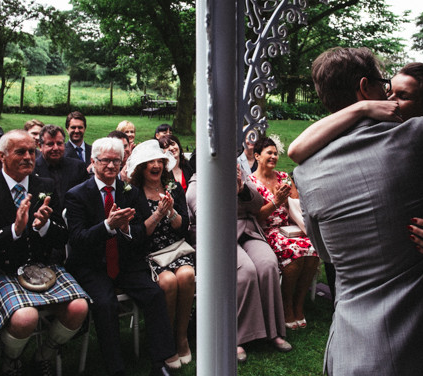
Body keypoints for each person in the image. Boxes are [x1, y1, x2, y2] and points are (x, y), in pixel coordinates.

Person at [292, 47, 423, 375]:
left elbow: (326, 252)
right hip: (413, 348)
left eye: (402, 95)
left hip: (348, 349)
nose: (390, 98)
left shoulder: (305, 172)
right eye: (385, 87)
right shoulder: (418, 139)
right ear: (364, 89)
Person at [288, 62, 423, 280]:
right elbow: (296, 149)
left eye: (403, 96)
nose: (389, 101)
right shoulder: (365, 151)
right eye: (388, 92)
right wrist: (362, 108)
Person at [0, 130, 89, 376]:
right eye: (20, 151)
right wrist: (14, 231)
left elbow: (63, 236)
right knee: (25, 318)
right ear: (1, 155)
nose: (28, 157)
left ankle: (44, 353)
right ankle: (12, 358)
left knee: (80, 308)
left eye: (32, 151)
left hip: (44, 267)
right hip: (2, 269)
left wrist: (44, 226)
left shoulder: (45, 185)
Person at [65, 137, 176, 376]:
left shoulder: (130, 192)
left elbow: (141, 234)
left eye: (116, 161)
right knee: (105, 304)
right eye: (105, 161)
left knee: (155, 294)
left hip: (125, 263)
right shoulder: (77, 195)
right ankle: (116, 369)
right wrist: (107, 226)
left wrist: (125, 229)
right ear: (93, 162)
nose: (111, 166)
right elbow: (77, 239)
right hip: (92, 265)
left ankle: (160, 363)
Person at [186, 168, 291, 363]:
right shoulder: (196, 185)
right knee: (246, 271)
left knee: (268, 264)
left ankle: (273, 331)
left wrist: (242, 190)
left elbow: (258, 204)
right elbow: (206, 217)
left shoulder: (238, 175)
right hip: (217, 237)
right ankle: (236, 337)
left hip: (247, 231)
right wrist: (230, 196)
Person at [125, 139, 194, 369]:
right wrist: (156, 215)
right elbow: (137, 237)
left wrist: (171, 211)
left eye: (159, 161)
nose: (155, 165)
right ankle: (166, 343)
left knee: (185, 275)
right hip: (151, 255)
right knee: (168, 281)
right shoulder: (133, 194)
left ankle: (181, 337)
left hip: (177, 250)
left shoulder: (174, 187)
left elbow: (184, 228)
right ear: (141, 168)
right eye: (149, 162)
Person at [248, 137, 319, 330]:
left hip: (291, 229)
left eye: (275, 153)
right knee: (295, 254)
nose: (273, 156)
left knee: (313, 250)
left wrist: (288, 198)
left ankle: (298, 304)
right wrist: (276, 202)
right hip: (268, 231)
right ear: (257, 156)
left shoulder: (284, 178)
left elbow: (298, 207)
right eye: (268, 153)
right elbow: (255, 218)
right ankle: (287, 306)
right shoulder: (251, 183)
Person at [34, 125, 88, 212]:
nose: (55, 148)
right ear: (40, 146)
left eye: (59, 143)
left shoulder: (78, 167)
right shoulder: (33, 170)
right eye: (50, 144)